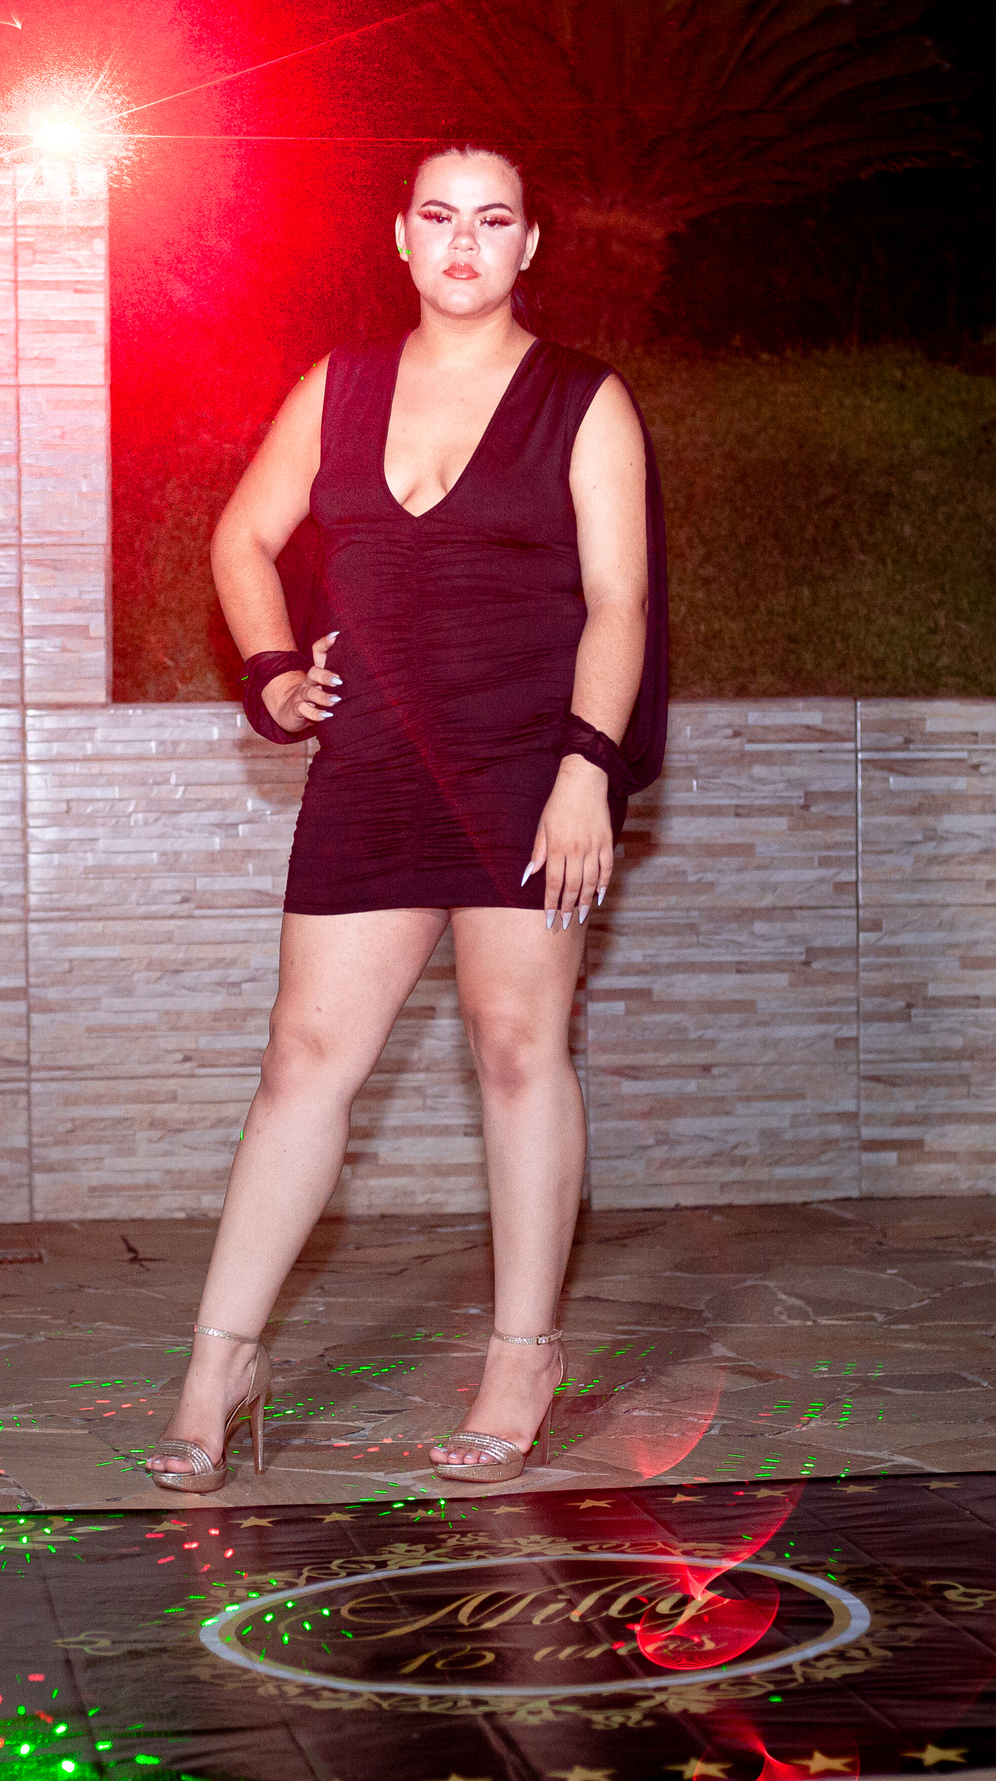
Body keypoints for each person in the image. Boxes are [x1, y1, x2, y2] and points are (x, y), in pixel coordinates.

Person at [146, 143, 668, 1493]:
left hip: (527, 768)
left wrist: (587, 768)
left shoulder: (582, 400)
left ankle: (522, 1359)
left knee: (517, 1048)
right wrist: (274, 674)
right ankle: (219, 1364)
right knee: (303, 1061)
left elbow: (619, 600)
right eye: (439, 216)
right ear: (401, 236)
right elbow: (241, 540)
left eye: (494, 219)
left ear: (529, 245)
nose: (463, 242)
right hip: (374, 765)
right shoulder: (339, 387)